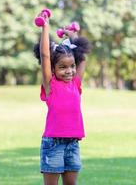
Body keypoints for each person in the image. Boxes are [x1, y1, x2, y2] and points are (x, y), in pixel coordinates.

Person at [33, 15, 91, 185]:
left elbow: (82, 57)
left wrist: (72, 34)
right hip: (53, 144)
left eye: (71, 66)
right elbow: (45, 56)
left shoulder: (76, 84)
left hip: (72, 144)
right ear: (53, 68)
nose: (69, 71)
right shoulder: (51, 85)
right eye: (63, 67)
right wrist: (45, 27)